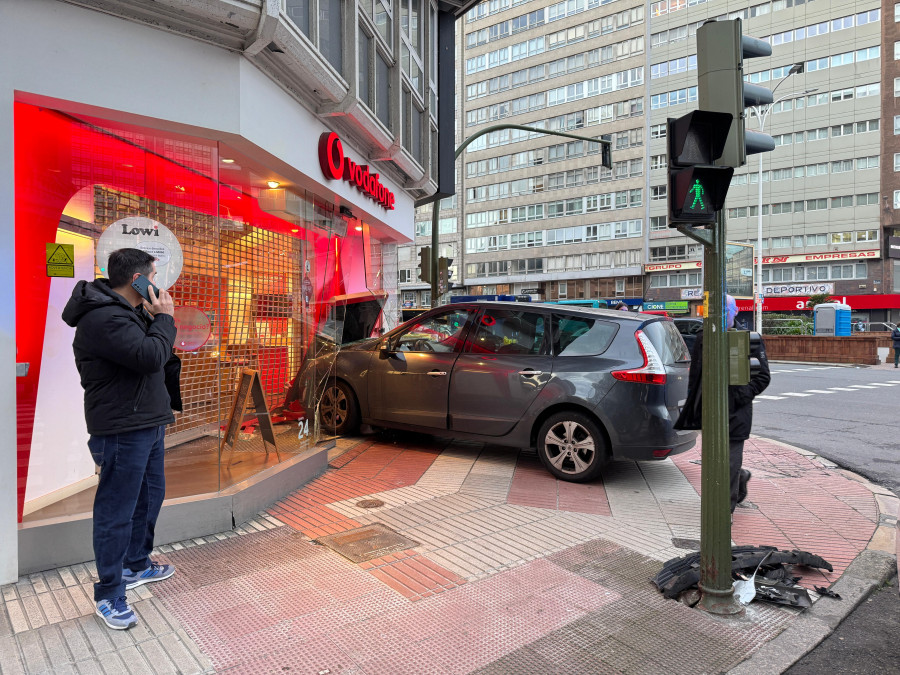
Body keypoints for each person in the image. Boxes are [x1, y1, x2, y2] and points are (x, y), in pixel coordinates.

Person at [62, 248, 181, 630]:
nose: (158, 284)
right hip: (120, 431)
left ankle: (137, 564)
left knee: (150, 498)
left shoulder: (128, 313)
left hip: (145, 424)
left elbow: (153, 362)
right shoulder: (103, 318)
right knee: (116, 513)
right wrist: (163, 319)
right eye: (153, 275)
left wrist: (153, 319)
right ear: (138, 280)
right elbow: (149, 357)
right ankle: (110, 594)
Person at [674, 295, 771, 521]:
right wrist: (694, 407)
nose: (719, 315)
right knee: (715, 462)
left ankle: (723, 512)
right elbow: (696, 376)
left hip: (736, 413)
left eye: (725, 310)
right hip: (710, 411)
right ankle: (740, 477)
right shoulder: (703, 337)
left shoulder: (749, 338)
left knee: (728, 463)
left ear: (735, 311)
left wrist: (738, 396)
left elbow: (763, 377)